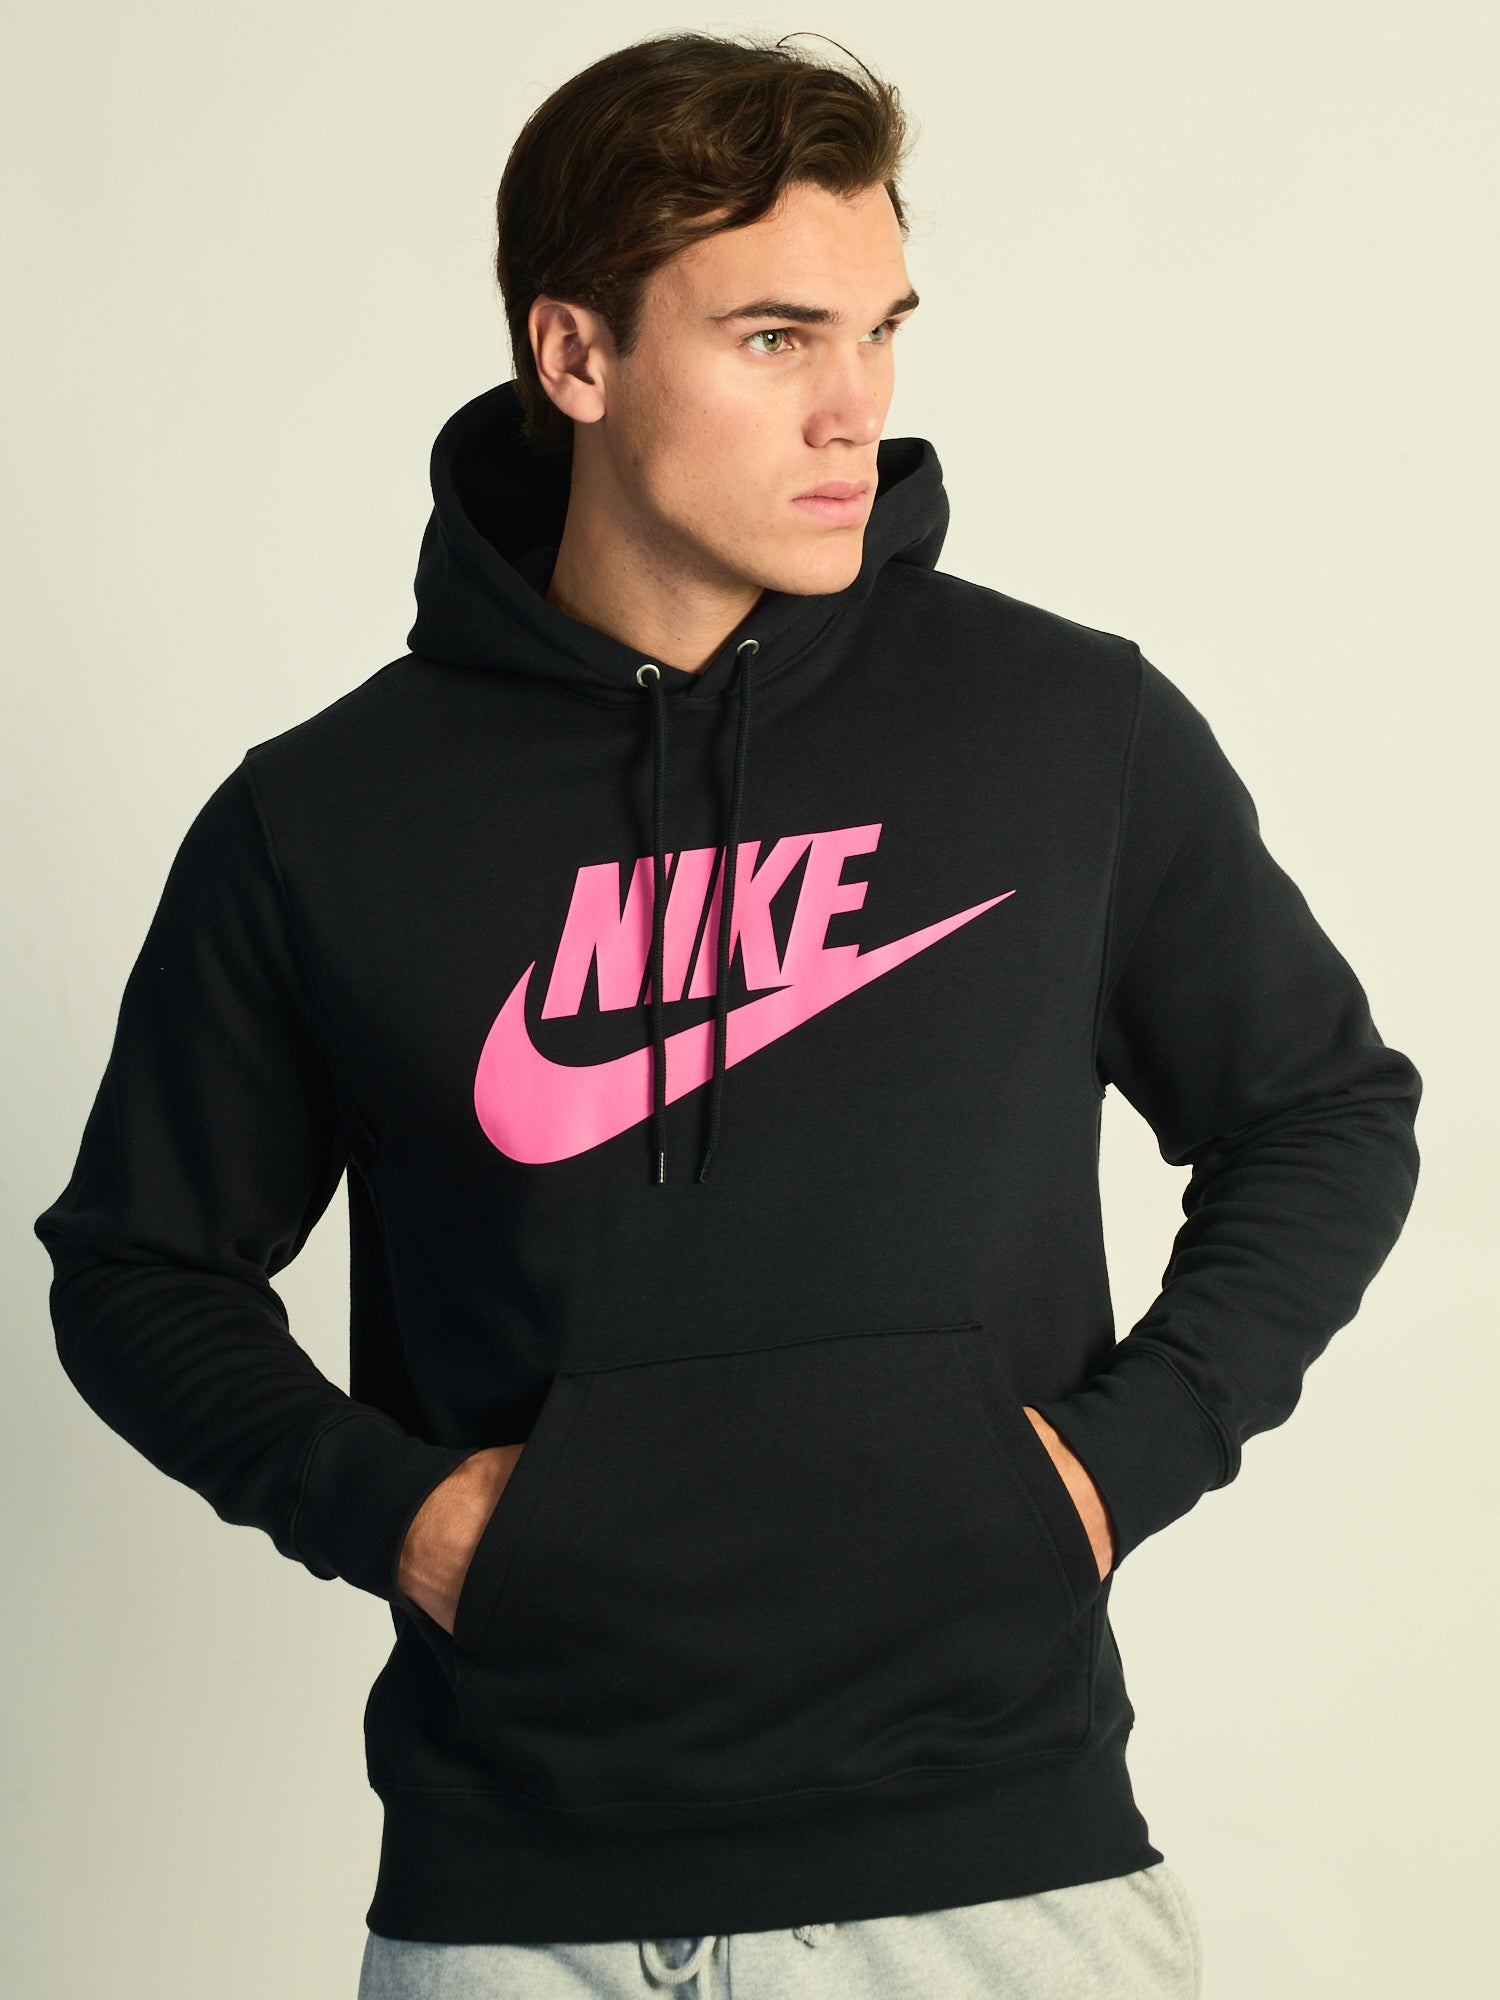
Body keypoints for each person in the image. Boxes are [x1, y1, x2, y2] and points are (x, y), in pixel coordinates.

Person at [34, 28, 1421, 2000]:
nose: (856, 408)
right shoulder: (328, 818)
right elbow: (141, 1268)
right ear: (575, 356)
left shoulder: (1062, 731)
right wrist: (406, 1518)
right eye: (776, 338)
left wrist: (1118, 1462)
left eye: (882, 331)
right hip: (524, 1909)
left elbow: (1321, 1110)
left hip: (995, 1888)